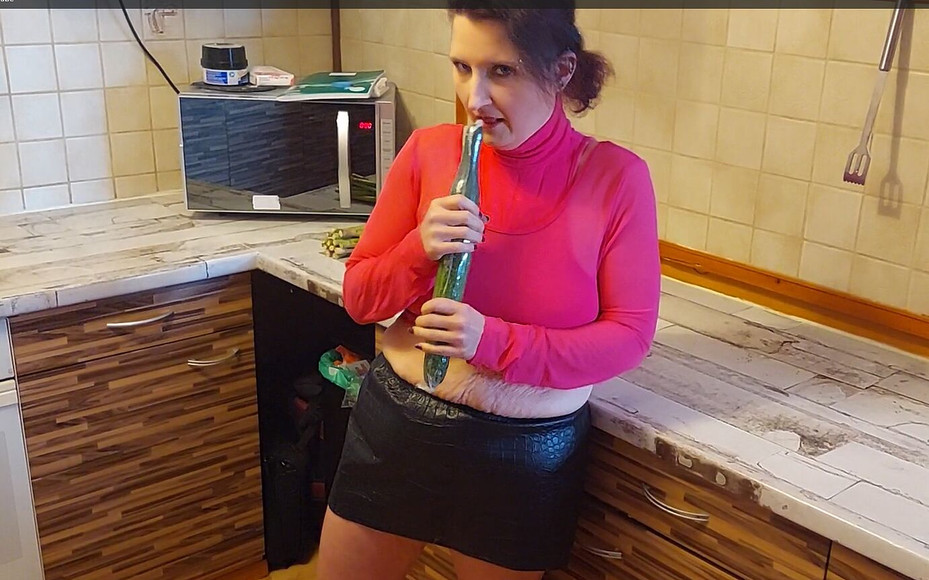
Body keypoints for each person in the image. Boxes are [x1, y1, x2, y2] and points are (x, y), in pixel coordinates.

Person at [317, 3, 660, 579]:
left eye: (501, 71)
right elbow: (361, 299)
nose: (474, 97)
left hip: (522, 456)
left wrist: (492, 341)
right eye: (462, 67)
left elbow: (629, 337)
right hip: (397, 427)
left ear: (562, 70)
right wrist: (417, 249)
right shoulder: (428, 151)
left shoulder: (616, 178)